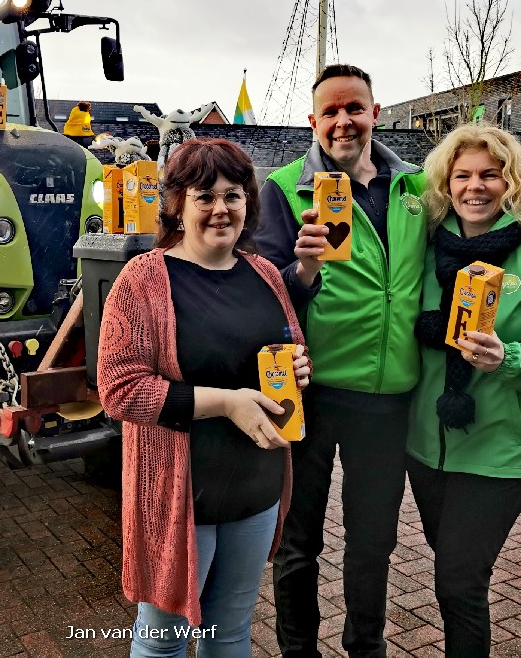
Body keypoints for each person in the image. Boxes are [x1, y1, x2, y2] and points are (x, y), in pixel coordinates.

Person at [254, 64, 521, 658]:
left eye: (354, 107)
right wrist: (301, 270)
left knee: (372, 543)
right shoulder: (282, 188)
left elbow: (485, 222)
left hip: (388, 402)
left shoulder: (417, 193)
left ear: (375, 112)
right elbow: (260, 296)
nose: (343, 121)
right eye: (329, 111)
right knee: (298, 542)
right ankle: (298, 651)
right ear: (312, 121)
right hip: (309, 391)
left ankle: (367, 650)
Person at [97, 137, 315, 657]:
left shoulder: (264, 274)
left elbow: (287, 343)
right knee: (164, 644)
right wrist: (227, 402)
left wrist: (298, 365)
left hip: (255, 491)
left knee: (231, 632)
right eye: (204, 196)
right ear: (176, 205)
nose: (221, 209)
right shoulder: (143, 280)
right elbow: (119, 390)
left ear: (248, 204)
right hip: (179, 496)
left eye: (234, 196)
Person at [407, 125, 521, 657]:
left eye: (490, 174)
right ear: (446, 182)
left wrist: (508, 358)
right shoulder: (426, 243)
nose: (475, 186)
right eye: (462, 175)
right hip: (425, 447)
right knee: (452, 569)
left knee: (459, 585)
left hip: (498, 451)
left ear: (511, 181)